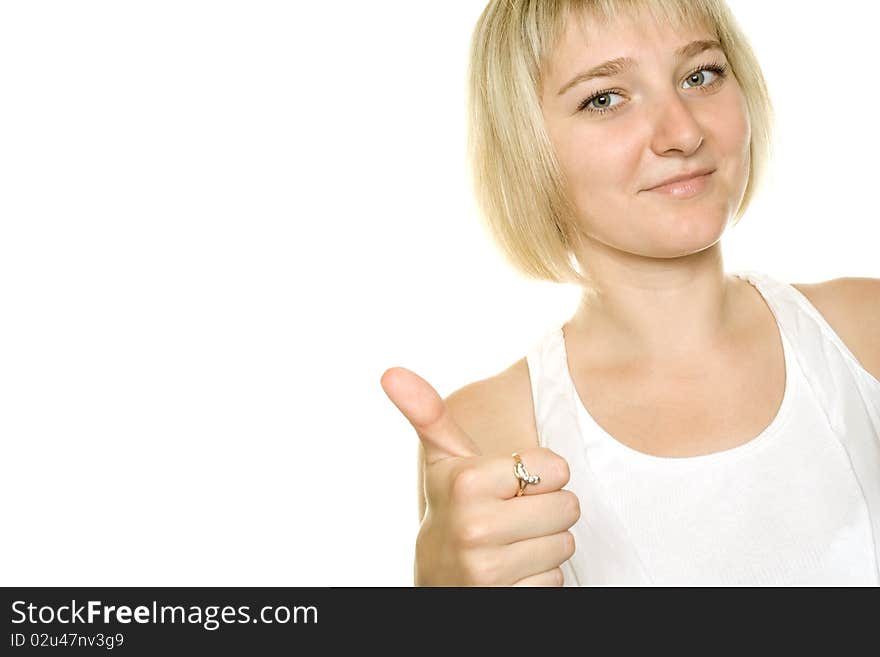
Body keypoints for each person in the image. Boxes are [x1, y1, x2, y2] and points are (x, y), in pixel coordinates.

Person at [381, 0, 880, 586]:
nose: (684, 132)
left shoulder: (863, 328)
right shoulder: (492, 431)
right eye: (604, 98)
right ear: (525, 145)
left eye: (701, 75)